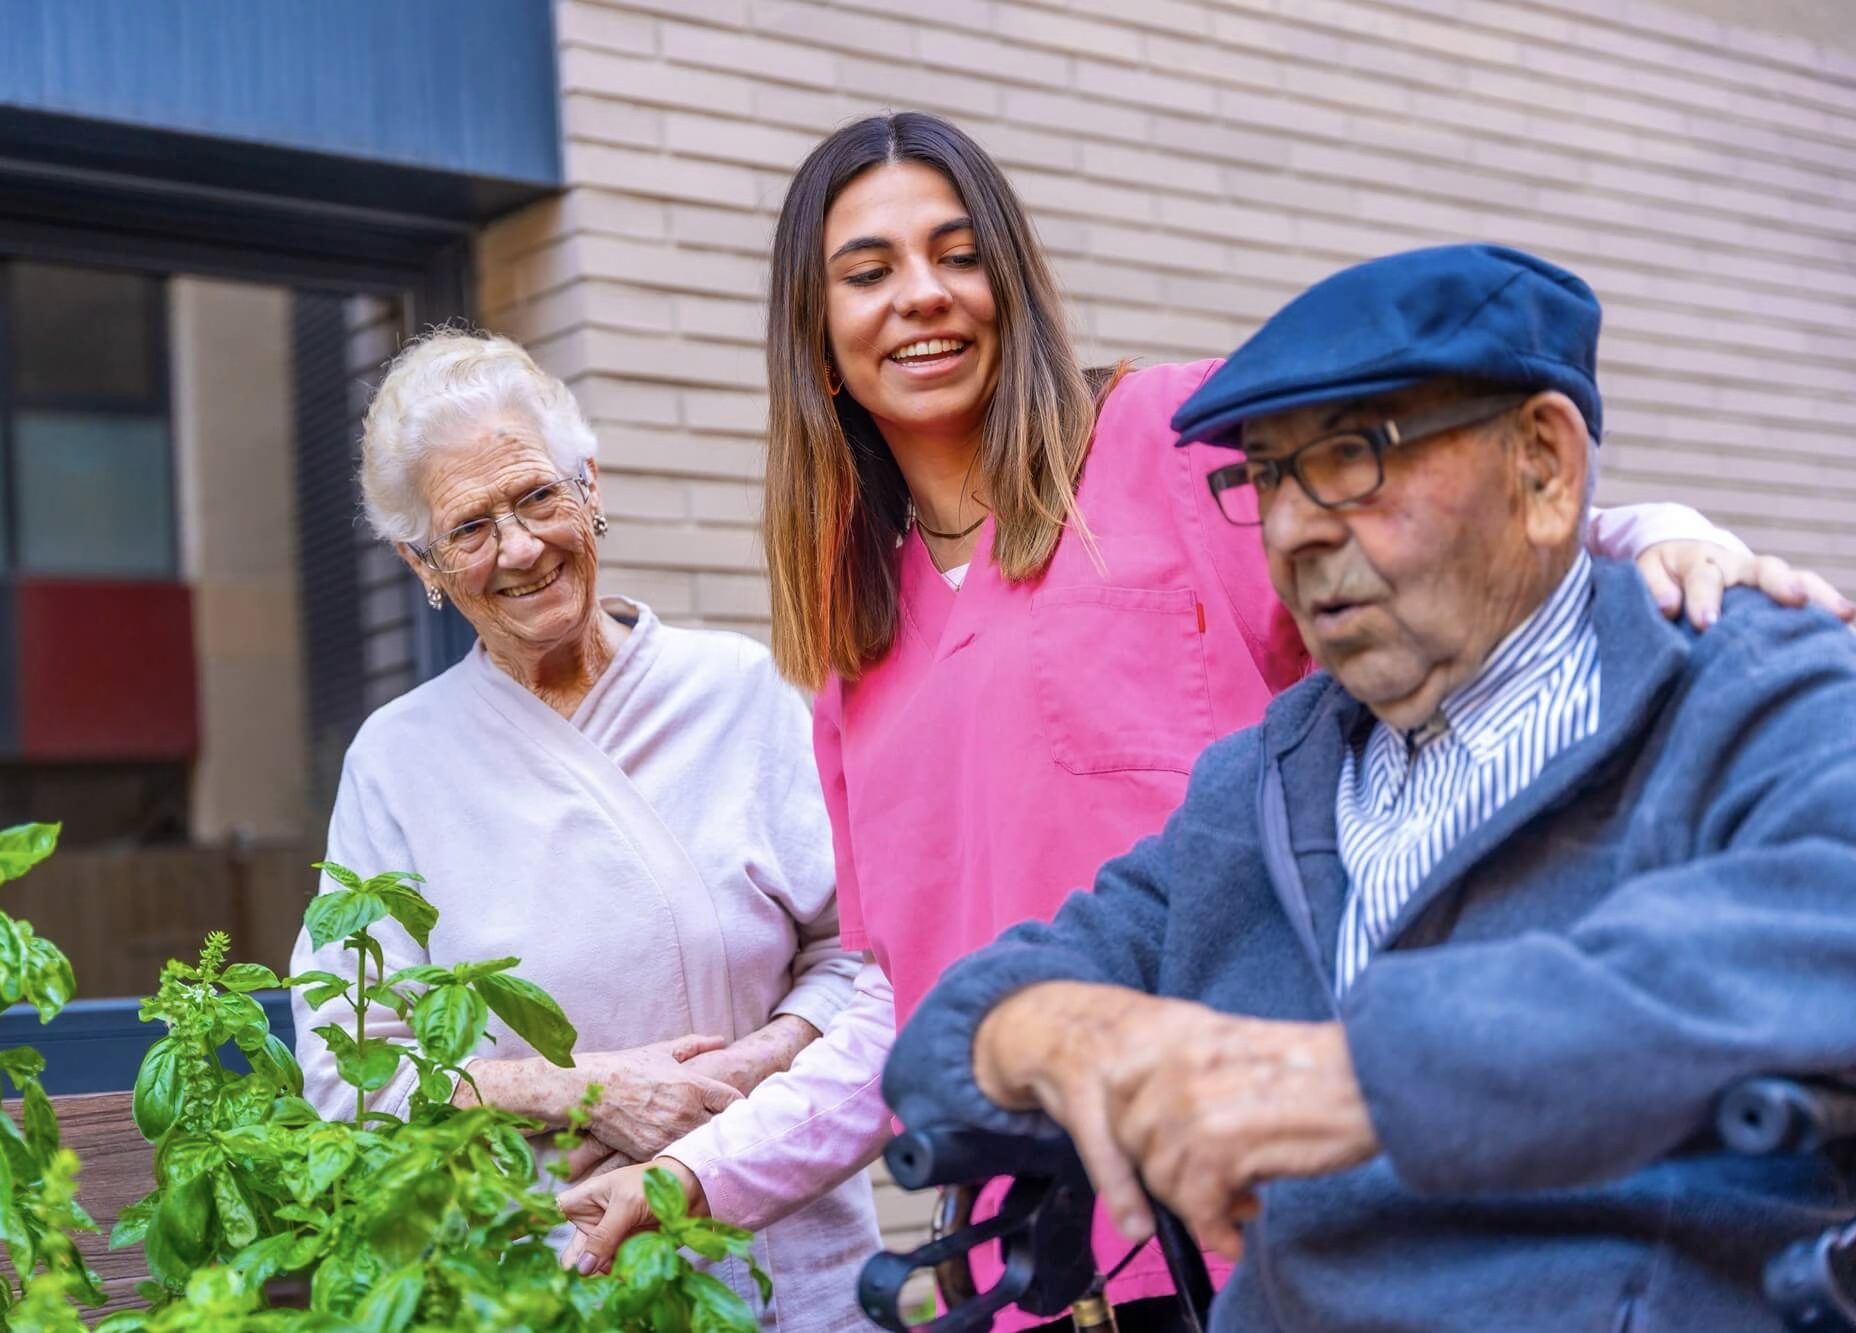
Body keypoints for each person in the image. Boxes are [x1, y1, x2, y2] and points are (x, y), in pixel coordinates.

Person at [556, 114, 1853, 1329]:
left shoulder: (1182, 446)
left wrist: (1678, 544)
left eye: (958, 253)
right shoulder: (866, 652)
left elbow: (1474, 533)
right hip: (1050, 1257)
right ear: (813, 328)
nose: (922, 295)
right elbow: (918, 1005)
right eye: (868, 268)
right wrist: (706, 1171)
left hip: (1290, 1222)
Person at [884, 243, 1856, 1333]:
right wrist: (1065, 1032)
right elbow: (944, 1031)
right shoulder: (1259, 781)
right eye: (1262, 475)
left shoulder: (1745, 692)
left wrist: (1361, 1076)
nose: (1293, 525)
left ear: (1542, 466)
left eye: (1351, 457)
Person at [289, 329, 879, 1333]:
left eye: (535, 497)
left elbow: (864, 954)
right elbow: (351, 1065)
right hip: (547, 1286)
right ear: (421, 563)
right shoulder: (396, 761)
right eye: (469, 527)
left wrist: (748, 1066)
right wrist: (577, 1090)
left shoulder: (734, 692)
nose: (517, 548)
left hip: (783, 1257)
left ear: (590, 483)